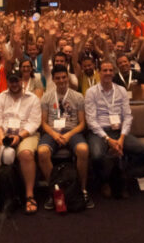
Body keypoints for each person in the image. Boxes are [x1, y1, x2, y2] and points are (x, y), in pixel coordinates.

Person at [84, 60, 144, 199]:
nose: (108, 73)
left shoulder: (121, 91)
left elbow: (127, 116)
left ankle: (122, 174)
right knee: (96, 156)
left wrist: (121, 138)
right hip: (99, 132)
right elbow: (91, 120)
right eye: (105, 70)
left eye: (110, 70)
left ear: (113, 73)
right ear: (99, 72)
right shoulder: (91, 92)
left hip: (118, 132)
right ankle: (104, 181)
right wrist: (108, 140)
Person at [37, 65, 93, 210]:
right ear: (53, 80)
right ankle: (55, 191)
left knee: (83, 149)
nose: (61, 80)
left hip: (72, 131)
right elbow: (43, 122)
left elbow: (82, 124)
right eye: (58, 78)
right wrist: (55, 134)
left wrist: (68, 134)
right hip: (52, 131)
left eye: (64, 77)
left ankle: (82, 190)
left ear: (67, 78)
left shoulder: (78, 96)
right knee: (42, 152)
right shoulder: (46, 96)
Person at [0, 70, 42, 214]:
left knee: (26, 154)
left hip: (26, 133)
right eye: (11, 81)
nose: (14, 84)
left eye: (17, 81)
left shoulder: (33, 98)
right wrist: (0, 136)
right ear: (8, 82)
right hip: (2, 132)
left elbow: (34, 122)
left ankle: (29, 195)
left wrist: (20, 137)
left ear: (22, 80)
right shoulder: (0, 98)